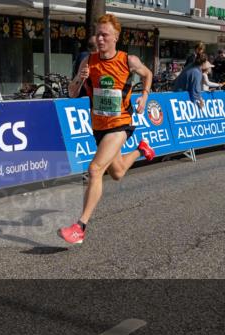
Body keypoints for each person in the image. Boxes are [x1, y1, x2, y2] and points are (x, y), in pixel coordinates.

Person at [58, 15, 155, 245]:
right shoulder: (88, 61)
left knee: (95, 169)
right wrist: (79, 79)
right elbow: (72, 93)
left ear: (116, 37)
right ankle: (142, 149)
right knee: (117, 173)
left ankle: (80, 227)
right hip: (99, 126)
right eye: (98, 34)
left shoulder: (128, 60)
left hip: (121, 124)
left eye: (105, 35)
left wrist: (144, 96)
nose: (100, 39)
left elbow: (148, 74)